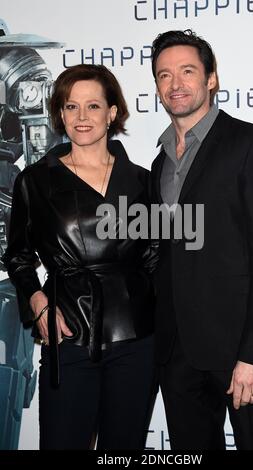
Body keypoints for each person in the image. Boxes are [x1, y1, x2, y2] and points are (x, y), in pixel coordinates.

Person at [150, 29, 253, 450]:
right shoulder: (158, 161)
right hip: (178, 355)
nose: (175, 84)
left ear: (211, 78)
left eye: (187, 71)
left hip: (241, 354)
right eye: (164, 75)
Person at [2, 64, 157, 450]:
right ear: (59, 114)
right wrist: (38, 305)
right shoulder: (35, 181)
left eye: (93, 106)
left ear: (113, 112)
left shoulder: (142, 180)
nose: (82, 118)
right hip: (67, 335)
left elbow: (155, 258)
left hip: (135, 339)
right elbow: (18, 256)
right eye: (71, 107)